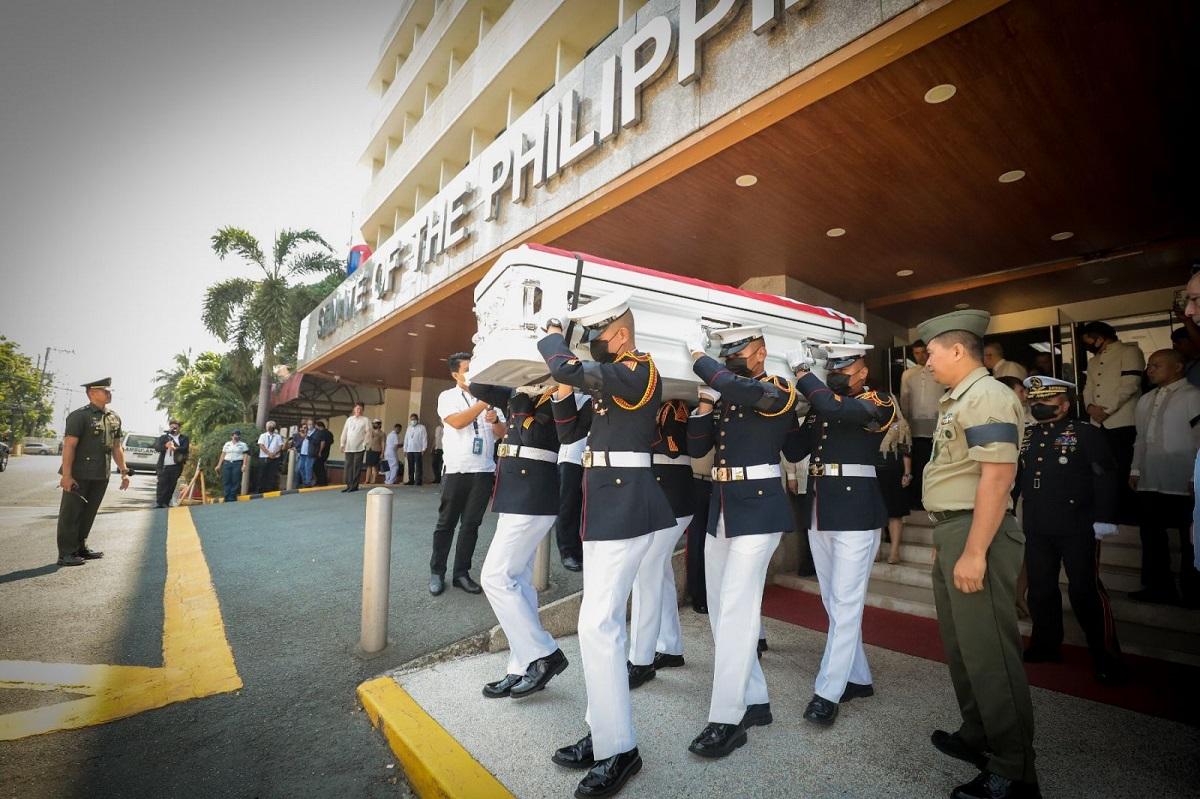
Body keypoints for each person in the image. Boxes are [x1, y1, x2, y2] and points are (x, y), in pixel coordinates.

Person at [542, 292, 675, 799]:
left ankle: (620, 750)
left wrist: (553, 333)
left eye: (596, 332)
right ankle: (603, 735)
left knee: (597, 624)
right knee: (597, 624)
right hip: (606, 506)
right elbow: (574, 429)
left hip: (626, 505)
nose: (592, 343)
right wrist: (559, 392)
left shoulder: (639, 369)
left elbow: (571, 366)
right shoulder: (612, 381)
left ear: (618, 334)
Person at [917, 309, 1038, 799]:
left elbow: (997, 477)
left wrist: (973, 551)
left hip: (976, 531)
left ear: (956, 350)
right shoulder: (960, 399)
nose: (926, 363)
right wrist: (949, 545)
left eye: (929, 353)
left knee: (990, 655)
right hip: (956, 531)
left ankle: (1014, 771)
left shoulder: (987, 396)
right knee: (964, 649)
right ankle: (979, 736)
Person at [684, 325, 805, 756]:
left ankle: (727, 718)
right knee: (721, 609)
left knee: (735, 609)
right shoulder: (726, 395)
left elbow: (738, 388)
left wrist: (700, 355)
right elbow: (695, 445)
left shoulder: (777, 388)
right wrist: (703, 404)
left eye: (741, 350)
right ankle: (755, 699)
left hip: (758, 507)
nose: (734, 357)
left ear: (761, 353)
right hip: (721, 506)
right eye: (727, 351)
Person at [788, 342, 896, 726]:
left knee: (847, 602)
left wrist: (803, 376)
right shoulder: (821, 405)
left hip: (857, 512)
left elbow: (838, 408)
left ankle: (827, 691)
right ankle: (859, 677)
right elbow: (795, 449)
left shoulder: (878, 401)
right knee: (835, 602)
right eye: (831, 367)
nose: (836, 373)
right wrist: (786, 406)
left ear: (862, 372)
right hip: (820, 508)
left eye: (844, 368)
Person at [466, 378, 569, 699]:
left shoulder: (563, 392)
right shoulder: (517, 390)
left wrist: (541, 382)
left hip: (534, 494)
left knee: (495, 577)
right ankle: (520, 665)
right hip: (515, 492)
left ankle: (544, 654)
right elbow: (481, 387)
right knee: (518, 581)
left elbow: (549, 432)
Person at [1016, 376, 1125, 682]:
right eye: (1033, 403)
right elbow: (1020, 476)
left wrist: (1105, 519)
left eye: (1044, 403)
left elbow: (1105, 477)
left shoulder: (1085, 434)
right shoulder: (1028, 435)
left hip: (1077, 525)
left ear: (1063, 405)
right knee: (1040, 588)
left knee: (1084, 590)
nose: (1036, 407)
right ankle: (1046, 644)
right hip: (1037, 525)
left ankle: (1106, 654)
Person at [627, 398, 695, 687]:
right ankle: (670, 647)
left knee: (646, 571)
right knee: (659, 571)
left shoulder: (674, 406)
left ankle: (640, 660)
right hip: (660, 499)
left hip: (673, 500)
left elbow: (671, 446)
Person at [1130, 349, 1200, 606]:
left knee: (1191, 539)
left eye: (1156, 365)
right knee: (1151, 536)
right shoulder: (1145, 399)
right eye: (1149, 365)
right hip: (1150, 477)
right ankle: (1158, 588)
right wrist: (1135, 470)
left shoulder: (1194, 396)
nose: (1150, 370)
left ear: (1179, 367)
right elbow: (1139, 439)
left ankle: (1194, 591)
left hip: (1185, 478)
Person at [430, 353, 498, 596]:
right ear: (455, 374)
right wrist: (483, 403)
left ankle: (461, 573)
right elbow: (457, 422)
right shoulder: (447, 397)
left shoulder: (490, 399)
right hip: (458, 469)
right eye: (468, 369)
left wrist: (495, 418)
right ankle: (437, 571)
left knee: (471, 525)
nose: (473, 372)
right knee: (446, 523)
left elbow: (501, 431)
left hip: (483, 470)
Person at [56, 377, 131, 565]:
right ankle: (66, 553)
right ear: (91, 393)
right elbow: (69, 446)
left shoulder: (114, 417)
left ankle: (80, 547)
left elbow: (116, 447)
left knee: (89, 512)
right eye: (104, 390)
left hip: (100, 473)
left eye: (109, 390)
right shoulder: (79, 416)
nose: (109, 393)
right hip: (79, 474)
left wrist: (123, 471)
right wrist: (66, 475)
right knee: (71, 513)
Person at [1080, 320, 1144, 525]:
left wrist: (1106, 410)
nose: (1088, 344)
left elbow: (1130, 384)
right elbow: (1088, 388)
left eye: (1089, 339)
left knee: (1123, 467)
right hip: (1097, 423)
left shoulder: (1129, 351)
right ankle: (1106, 513)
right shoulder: (1093, 361)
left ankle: (1127, 514)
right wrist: (1090, 407)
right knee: (1101, 470)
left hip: (1122, 421)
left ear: (1100, 336)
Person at [900, 339, 942, 510]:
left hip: (938, 428)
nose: (921, 356)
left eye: (924, 352)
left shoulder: (940, 370)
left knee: (937, 466)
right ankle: (918, 502)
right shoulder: (908, 374)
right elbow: (904, 401)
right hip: (915, 429)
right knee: (917, 466)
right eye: (916, 353)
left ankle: (936, 501)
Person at [556, 409, 587, 572]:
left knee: (586, 506)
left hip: (595, 454)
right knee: (568, 505)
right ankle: (567, 551)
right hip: (572, 454)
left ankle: (581, 549)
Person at [153, 419, 189, 508]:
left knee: (171, 485)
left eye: (175, 427)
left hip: (176, 465)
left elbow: (185, 449)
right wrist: (165, 446)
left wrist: (175, 448)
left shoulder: (184, 438)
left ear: (179, 428)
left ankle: (166, 502)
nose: (173, 429)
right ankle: (159, 502)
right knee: (161, 483)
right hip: (163, 465)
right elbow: (157, 447)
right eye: (171, 427)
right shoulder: (164, 437)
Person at [340, 402, 372, 493]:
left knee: (356, 466)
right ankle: (348, 485)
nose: (359, 410)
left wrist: (365, 443)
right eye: (357, 408)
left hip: (359, 447)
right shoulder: (349, 419)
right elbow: (344, 432)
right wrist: (342, 444)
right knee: (348, 466)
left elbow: (369, 432)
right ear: (354, 409)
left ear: (363, 410)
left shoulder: (365, 420)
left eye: (361, 409)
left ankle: (354, 485)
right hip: (349, 446)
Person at [217, 430, 250, 503]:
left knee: (235, 480)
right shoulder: (227, 444)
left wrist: (244, 465)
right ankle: (226, 496)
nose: (236, 437)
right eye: (234, 435)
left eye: (238, 435)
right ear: (231, 436)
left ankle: (232, 497)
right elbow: (223, 454)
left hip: (237, 463)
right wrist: (219, 465)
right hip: (227, 463)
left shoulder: (243, 444)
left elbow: (245, 455)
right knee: (226, 480)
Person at [255, 421, 283, 493]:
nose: (271, 427)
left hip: (275, 458)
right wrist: (268, 453)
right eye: (269, 426)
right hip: (264, 457)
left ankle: (270, 490)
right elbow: (261, 445)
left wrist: (274, 453)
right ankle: (260, 490)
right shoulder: (263, 436)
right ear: (266, 427)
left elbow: (280, 446)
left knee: (272, 474)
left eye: (272, 426)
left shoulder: (278, 436)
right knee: (262, 474)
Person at [405, 413, 429, 485]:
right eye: (411, 419)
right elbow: (406, 439)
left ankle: (418, 481)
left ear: (417, 420)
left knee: (418, 466)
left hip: (418, 450)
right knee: (410, 466)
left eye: (414, 419)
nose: (413, 421)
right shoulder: (409, 428)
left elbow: (424, 438)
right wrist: (405, 449)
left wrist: (424, 448)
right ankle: (411, 480)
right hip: (409, 450)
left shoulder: (422, 427)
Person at [312, 420, 333, 486]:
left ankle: (322, 482)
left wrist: (320, 452)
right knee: (321, 467)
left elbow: (322, 442)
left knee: (317, 467)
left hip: (320, 453)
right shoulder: (329, 433)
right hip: (326, 452)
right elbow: (331, 442)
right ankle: (322, 481)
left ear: (318, 426)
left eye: (316, 426)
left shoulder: (321, 433)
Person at [365, 419, 385, 485]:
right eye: (373, 423)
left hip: (377, 450)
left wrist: (382, 453)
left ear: (379, 424)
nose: (374, 424)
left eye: (375, 423)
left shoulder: (382, 433)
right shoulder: (370, 431)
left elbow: (383, 443)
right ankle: (367, 480)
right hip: (369, 449)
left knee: (374, 466)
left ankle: (373, 480)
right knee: (368, 466)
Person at [296, 420, 314, 487]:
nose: (308, 426)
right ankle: (305, 481)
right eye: (308, 425)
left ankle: (308, 482)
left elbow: (313, 440)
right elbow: (299, 442)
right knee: (300, 467)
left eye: (310, 424)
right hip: (302, 452)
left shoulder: (313, 432)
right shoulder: (302, 433)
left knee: (308, 468)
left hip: (309, 453)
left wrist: (305, 435)